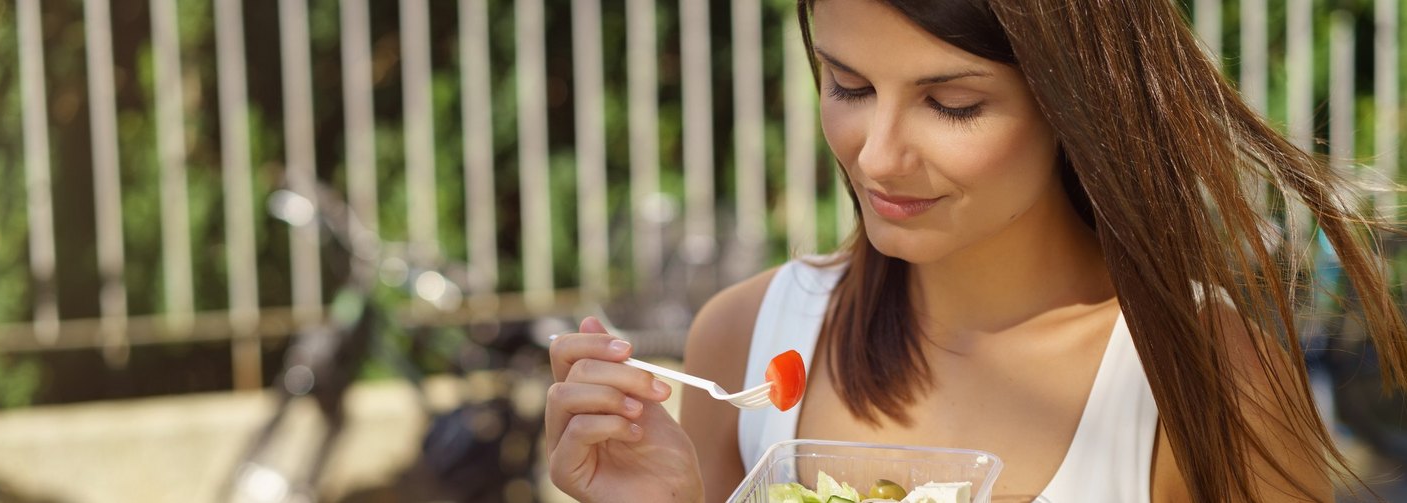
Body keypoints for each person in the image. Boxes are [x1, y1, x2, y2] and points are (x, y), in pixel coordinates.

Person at [544, 0, 1407, 501]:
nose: (876, 154)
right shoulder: (750, 336)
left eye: (950, 103)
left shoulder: (1206, 376)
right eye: (846, 85)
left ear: (1073, 104)